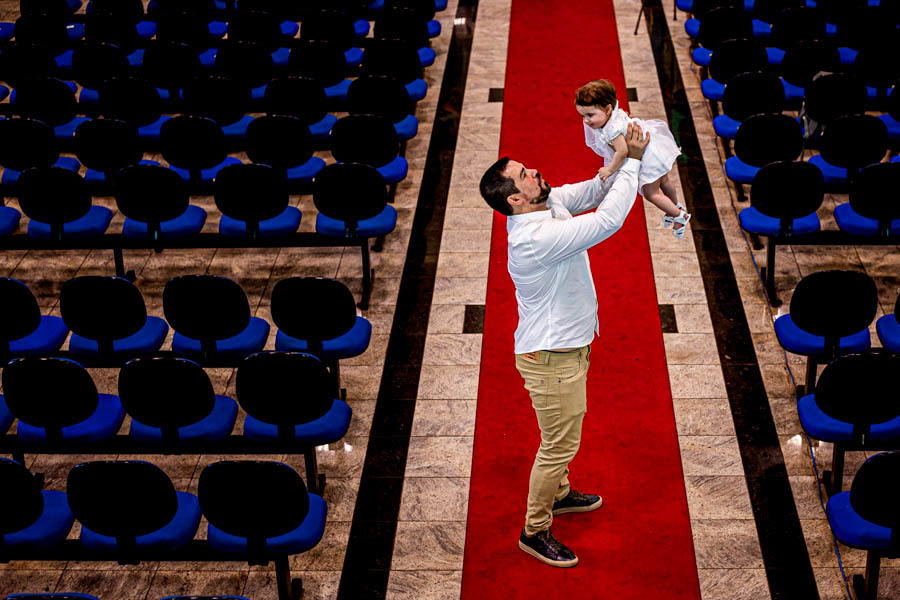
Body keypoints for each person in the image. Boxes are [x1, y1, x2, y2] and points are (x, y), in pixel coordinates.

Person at [478, 122, 650, 568]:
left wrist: (616, 158)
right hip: (551, 357)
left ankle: (561, 493)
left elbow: (592, 191)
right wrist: (632, 161)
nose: (534, 171)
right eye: (524, 175)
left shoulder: (546, 205)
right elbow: (609, 219)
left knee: (561, 437)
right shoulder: (537, 238)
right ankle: (534, 531)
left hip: (563, 348)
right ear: (515, 200)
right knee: (557, 445)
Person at [575, 79, 690, 239]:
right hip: (655, 152)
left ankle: (679, 216)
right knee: (664, 181)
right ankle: (673, 206)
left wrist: (609, 169)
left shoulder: (611, 130)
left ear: (607, 109)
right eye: (582, 115)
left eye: (590, 115)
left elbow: (621, 152)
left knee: (652, 194)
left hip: (646, 160)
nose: (586, 121)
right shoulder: (614, 112)